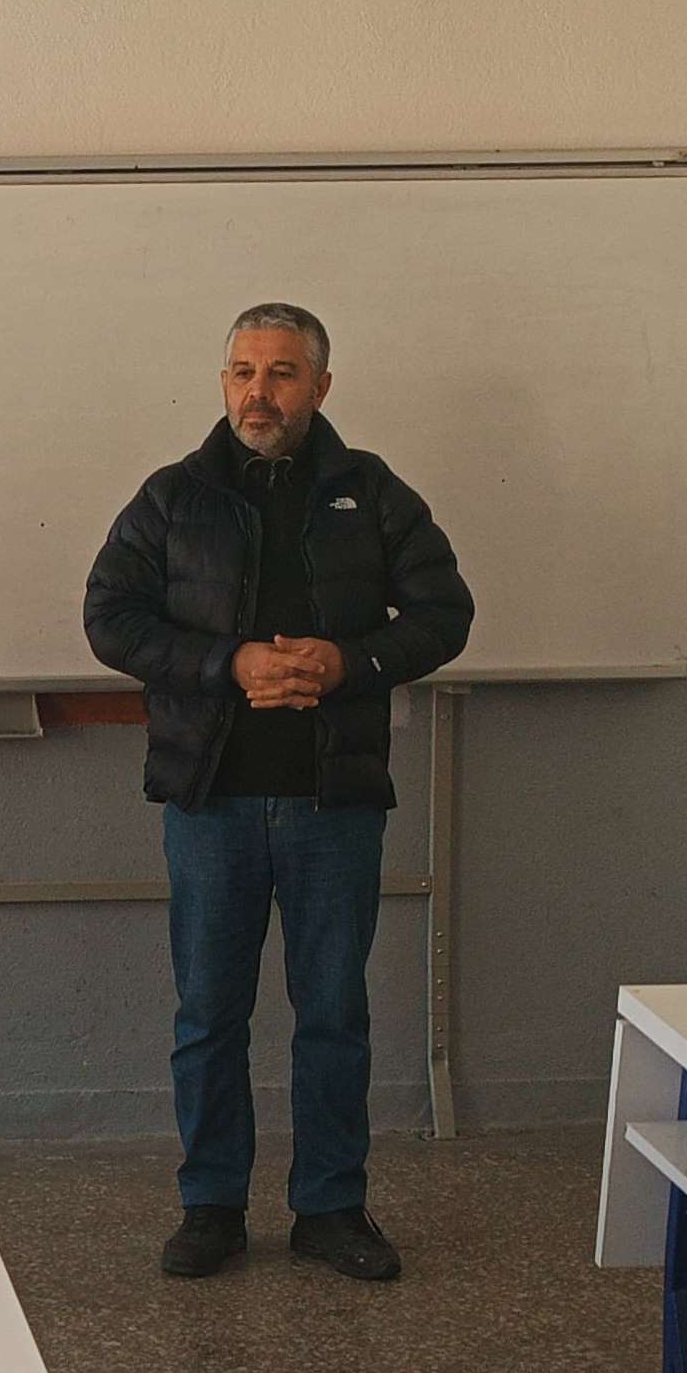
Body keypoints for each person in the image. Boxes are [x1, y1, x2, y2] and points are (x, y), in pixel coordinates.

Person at [82, 302, 474, 1284]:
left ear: (320, 387)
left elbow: (443, 612)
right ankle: (210, 1205)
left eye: (282, 372)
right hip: (209, 802)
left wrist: (348, 661)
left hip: (331, 802)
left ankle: (330, 1207)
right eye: (243, 371)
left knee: (333, 1012)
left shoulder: (370, 491)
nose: (259, 391)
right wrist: (229, 662)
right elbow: (110, 617)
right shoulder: (173, 497)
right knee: (208, 1014)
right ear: (223, 382)